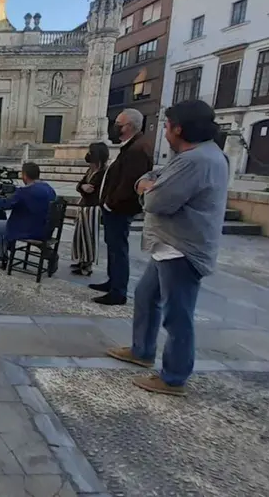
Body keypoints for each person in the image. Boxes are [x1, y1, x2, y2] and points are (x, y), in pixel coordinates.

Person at [106, 100, 228, 397]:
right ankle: (142, 350)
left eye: (167, 125)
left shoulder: (195, 161)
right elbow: (153, 177)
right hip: (168, 246)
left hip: (182, 249)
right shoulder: (195, 156)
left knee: (178, 315)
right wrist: (148, 183)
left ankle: (174, 377)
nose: (164, 131)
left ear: (179, 129)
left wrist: (147, 189)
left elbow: (157, 201)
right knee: (146, 296)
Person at [89, 108, 153, 306]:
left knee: (118, 249)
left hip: (120, 209)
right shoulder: (131, 146)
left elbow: (129, 183)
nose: (115, 127)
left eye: (119, 124)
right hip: (116, 208)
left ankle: (118, 291)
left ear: (130, 126)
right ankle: (113, 282)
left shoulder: (137, 149)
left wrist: (110, 203)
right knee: (113, 246)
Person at [0, 162, 57, 267]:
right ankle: (48, 252)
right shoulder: (49, 189)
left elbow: (6, 205)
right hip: (45, 230)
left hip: (29, 230)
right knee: (7, 223)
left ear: (25, 175)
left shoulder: (25, 191)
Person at [70, 142, 110, 276]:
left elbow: (91, 191)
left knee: (89, 237)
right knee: (80, 236)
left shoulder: (103, 172)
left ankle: (87, 266)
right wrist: (82, 187)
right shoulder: (91, 171)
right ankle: (81, 260)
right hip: (84, 207)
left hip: (93, 208)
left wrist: (84, 188)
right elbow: (80, 185)